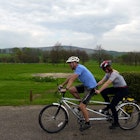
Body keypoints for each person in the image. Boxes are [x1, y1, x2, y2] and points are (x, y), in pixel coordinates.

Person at [59, 56, 97, 131]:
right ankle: (81, 103)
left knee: (82, 106)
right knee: (72, 90)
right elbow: (70, 77)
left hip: (91, 88)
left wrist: (65, 89)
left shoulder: (80, 68)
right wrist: (62, 84)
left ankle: (87, 123)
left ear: (75, 63)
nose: (69, 65)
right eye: (69, 63)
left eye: (70, 63)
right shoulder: (77, 69)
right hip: (86, 86)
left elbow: (72, 79)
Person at [95, 60, 129, 129]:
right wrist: (94, 86)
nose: (104, 70)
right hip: (117, 88)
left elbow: (107, 83)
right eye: (103, 69)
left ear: (107, 67)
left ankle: (116, 123)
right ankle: (108, 107)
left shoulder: (114, 73)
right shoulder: (108, 73)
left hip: (123, 90)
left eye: (104, 69)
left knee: (113, 105)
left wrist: (99, 90)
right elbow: (102, 81)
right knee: (104, 92)